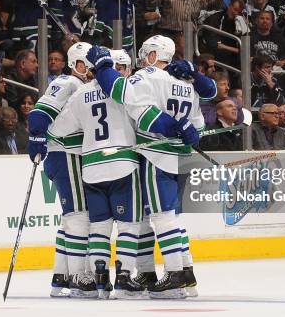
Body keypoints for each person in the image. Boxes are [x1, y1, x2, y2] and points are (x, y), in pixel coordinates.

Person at [85, 35, 216, 298]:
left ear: (154, 56)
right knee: (172, 216)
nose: (142, 59)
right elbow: (198, 126)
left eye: (146, 54)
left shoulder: (147, 76)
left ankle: (175, 275)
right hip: (181, 158)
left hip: (158, 156)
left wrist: (102, 67)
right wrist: (185, 130)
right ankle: (186, 272)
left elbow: (121, 93)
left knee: (161, 216)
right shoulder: (186, 84)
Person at [48, 49, 144, 299]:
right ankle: (123, 280)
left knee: (98, 226)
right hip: (123, 163)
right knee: (128, 224)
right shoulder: (122, 88)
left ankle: (100, 282)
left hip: (90, 167)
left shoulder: (80, 93)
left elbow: (58, 128)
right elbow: (143, 120)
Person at [27, 42, 95, 298]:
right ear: (76, 63)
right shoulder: (69, 82)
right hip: (66, 154)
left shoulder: (80, 85)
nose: (89, 67)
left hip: (65, 155)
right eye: (85, 62)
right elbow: (39, 113)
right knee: (79, 215)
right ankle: (79, 276)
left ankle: (61, 275)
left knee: (70, 217)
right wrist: (36, 135)